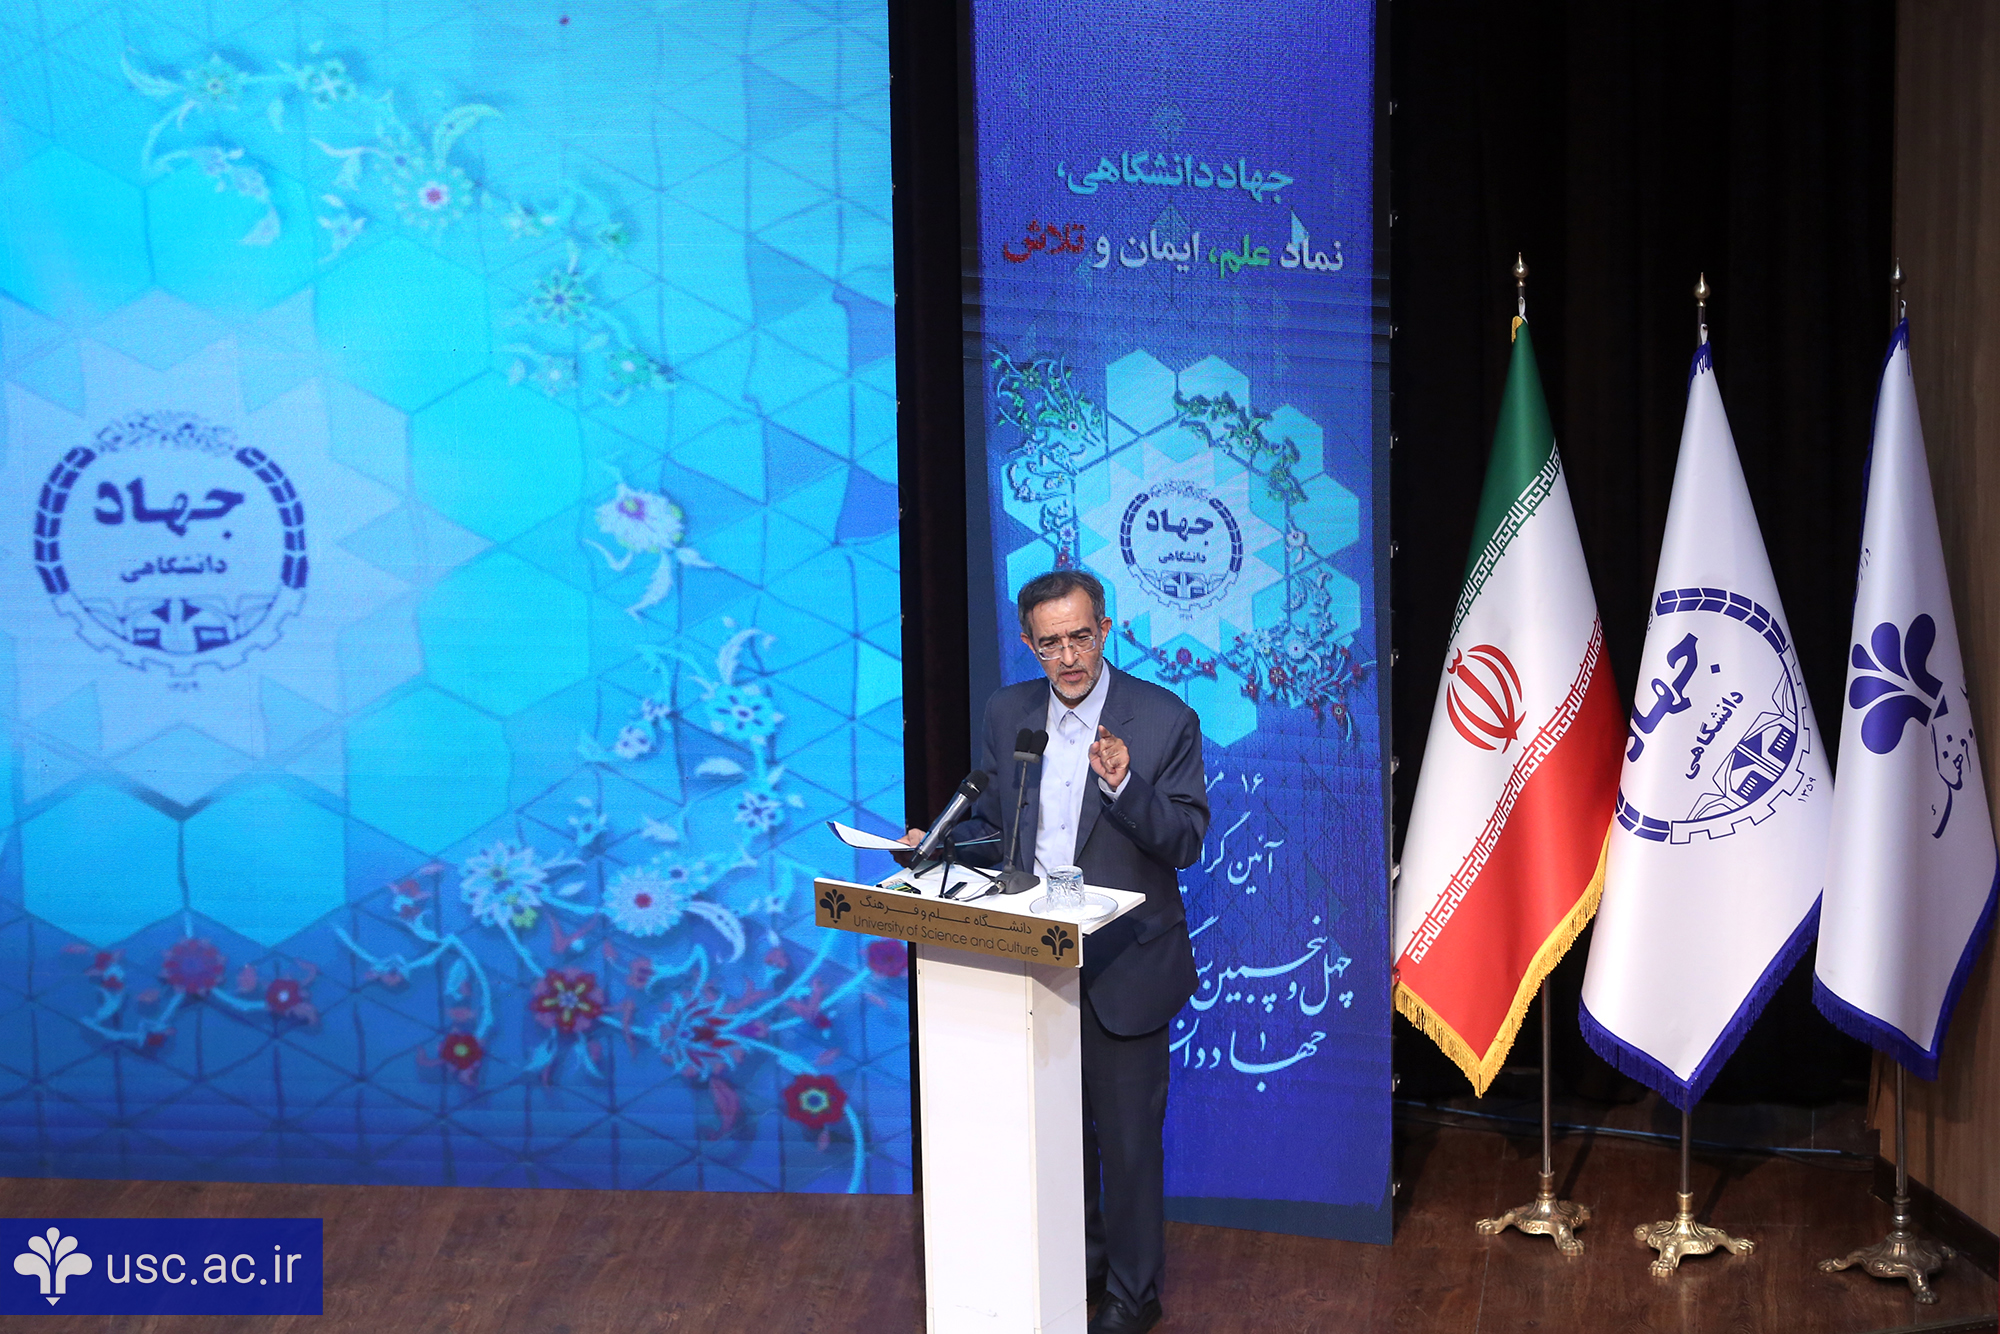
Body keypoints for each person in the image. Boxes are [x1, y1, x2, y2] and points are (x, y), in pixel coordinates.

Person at [904, 568, 1207, 1334]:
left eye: (1080, 637)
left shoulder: (1164, 719)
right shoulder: (1008, 711)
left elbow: (1185, 842)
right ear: (1028, 643)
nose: (1068, 657)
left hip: (1125, 966)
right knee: (1057, 1138)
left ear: (1105, 629)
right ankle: (1081, 1267)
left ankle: (1135, 1296)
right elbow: (1003, 830)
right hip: (1032, 964)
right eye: (1050, 643)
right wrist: (937, 845)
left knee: (1127, 1147)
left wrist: (1125, 785)